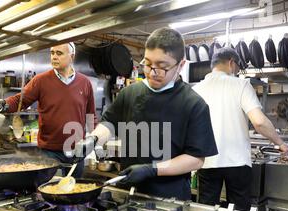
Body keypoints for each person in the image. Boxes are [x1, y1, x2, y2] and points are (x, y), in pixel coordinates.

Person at [74, 27, 218, 200]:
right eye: (148, 64)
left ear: (180, 65)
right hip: (128, 192)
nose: (152, 72)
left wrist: (152, 169)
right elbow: (110, 123)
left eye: (162, 67)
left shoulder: (194, 104)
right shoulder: (129, 93)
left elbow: (196, 159)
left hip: (170, 199)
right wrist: (93, 139)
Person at [193, 47, 288, 211]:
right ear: (231, 63)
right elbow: (259, 122)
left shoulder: (196, 89)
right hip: (237, 162)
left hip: (206, 161)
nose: (238, 71)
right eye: (238, 67)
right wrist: (280, 143)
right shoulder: (241, 85)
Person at [0, 42, 97, 178]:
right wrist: (5, 104)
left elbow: (91, 115)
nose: (54, 57)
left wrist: (95, 141)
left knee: (74, 189)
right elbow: (21, 100)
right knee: (42, 188)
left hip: (76, 149)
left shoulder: (85, 83)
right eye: (52, 53)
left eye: (59, 53)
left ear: (71, 57)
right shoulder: (40, 80)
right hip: (48, 150)